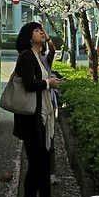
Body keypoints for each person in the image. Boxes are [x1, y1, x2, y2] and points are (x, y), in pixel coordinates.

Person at [13, 22, 64, 197]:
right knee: (35, 168)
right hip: (31, 120)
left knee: (43, 167)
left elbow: (41, 75)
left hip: (42, 118)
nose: (41, 32)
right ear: (27, 36)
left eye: (41, 30)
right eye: (36, 30)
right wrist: (48, 83)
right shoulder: (26, 56)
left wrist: (48, 81)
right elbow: (28, 85)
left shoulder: (38, 57)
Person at [40, 33, 59, 184]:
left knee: (50, 140)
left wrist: (47, 38)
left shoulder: (46, 60)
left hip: (49, 104)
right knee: (39, 141)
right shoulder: (29, 59)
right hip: (37, 105)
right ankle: (41, 172)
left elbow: (53, 51)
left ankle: (51, 173)